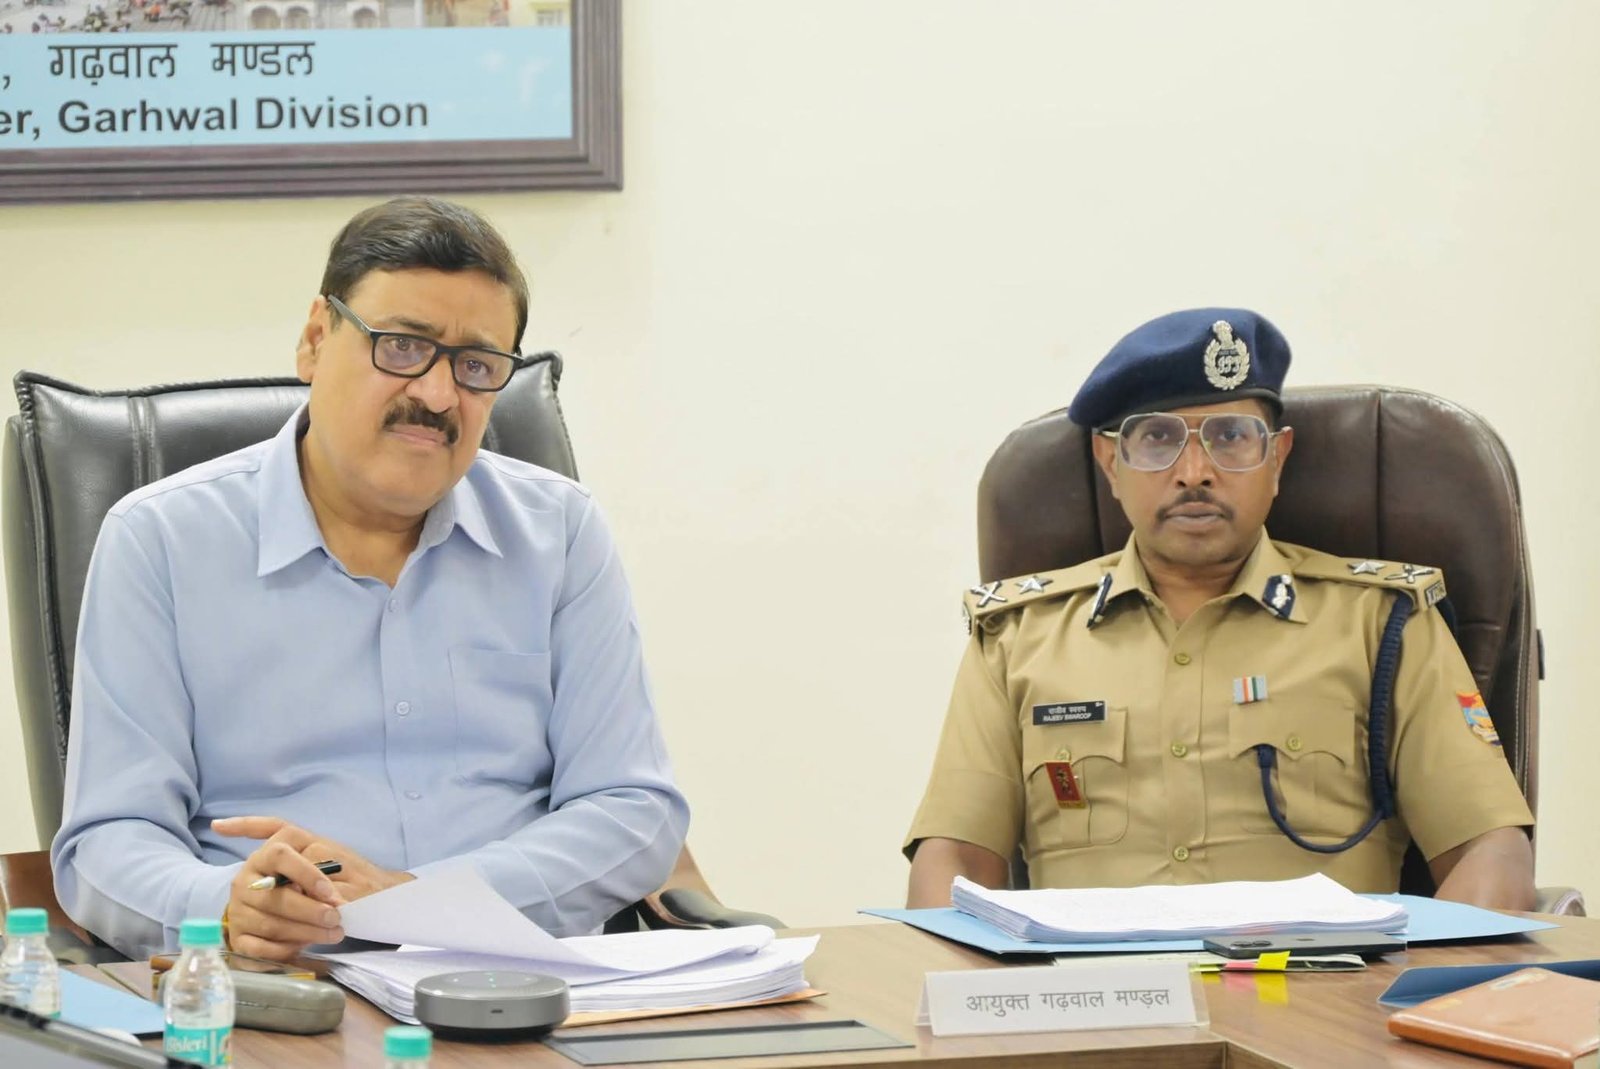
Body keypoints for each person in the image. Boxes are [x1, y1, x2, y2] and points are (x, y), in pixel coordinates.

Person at [51, 196, 689, 961]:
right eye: (402, 346)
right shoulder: (160, 539)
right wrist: (226, 907)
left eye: (476, 366)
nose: (438, 394)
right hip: (278, 985)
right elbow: (107, 840)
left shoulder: (559, 531)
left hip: (514, 978)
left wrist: (417, 899)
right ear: (316, 339)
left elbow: (631, 806)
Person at [903, 307, 1535, 911]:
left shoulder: (1382, 625)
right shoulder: (1018, 638)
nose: (1194, 472)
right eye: (1157, 439)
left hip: (1327, 984)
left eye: (1231, 437)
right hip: (1092, 988)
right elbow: (954, 862)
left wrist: (1413, 985)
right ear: (1110, 462)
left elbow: (1489, 850)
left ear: (1277, 457)